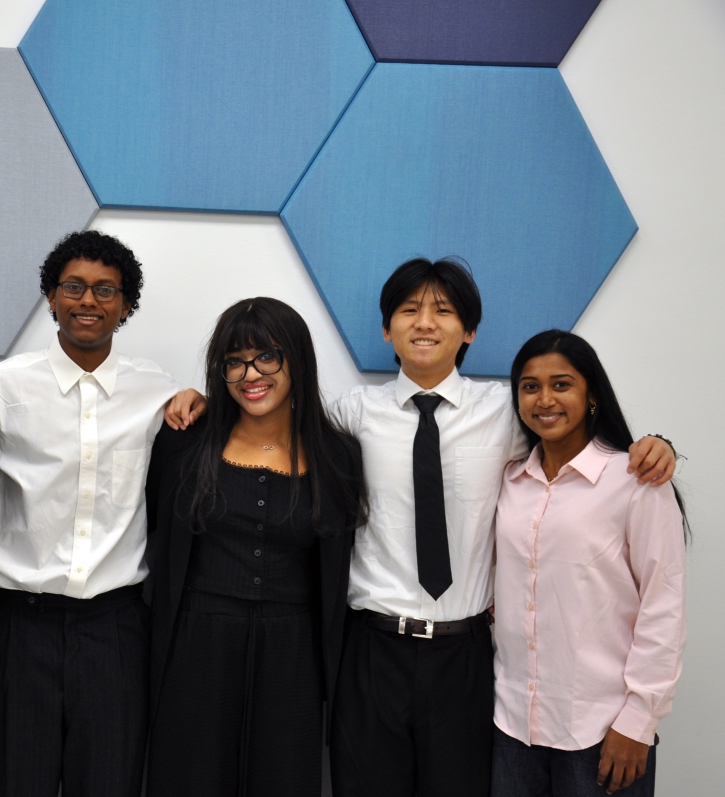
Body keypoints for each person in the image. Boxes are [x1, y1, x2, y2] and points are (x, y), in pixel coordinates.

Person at [167, 257, 677, 797]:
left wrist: (655, 444)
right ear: (388, 329)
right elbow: (266, 419)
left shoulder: (508, 410)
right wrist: (192, 399)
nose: (426, 323)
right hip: (370, 650)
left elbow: (572, 428)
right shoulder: (349, 416)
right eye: (409, 310)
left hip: (465, 657)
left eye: (444, 311)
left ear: (470, 331)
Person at [0, 230, 180, 797]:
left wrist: (199, 400)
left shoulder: (157, 394)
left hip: (115, 630)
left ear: (126, 305)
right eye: (74, 287)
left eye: (105, 290)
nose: (89, 301)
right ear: (52, 298)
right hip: (16, 628)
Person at [144, 298, 366, 796]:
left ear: (297, 361)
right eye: (235, 361)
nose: (251, 374)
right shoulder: (186, 441)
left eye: (267, 356)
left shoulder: (337, 455)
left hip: (294, 654)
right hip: (196, 646)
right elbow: (153, 531)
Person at [490, 330, 687, 797]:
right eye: (530, 386)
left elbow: (664, 607)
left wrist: (639, 721)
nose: (544, 400)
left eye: (562, 384)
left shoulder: (636, 482)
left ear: (591, 394)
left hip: (602, 729)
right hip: (513, 725)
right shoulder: (510, 480)